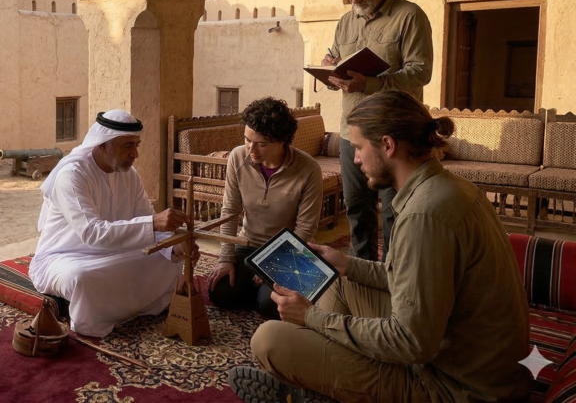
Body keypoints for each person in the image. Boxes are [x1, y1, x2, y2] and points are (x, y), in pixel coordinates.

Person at [228, 90, 531, 403]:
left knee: (269, 340)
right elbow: (415, 284)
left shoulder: (425, 215)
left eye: (358, 147)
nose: (356, 159)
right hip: (458, 352)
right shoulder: (443, 189)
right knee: (335, 282)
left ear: (388, 145)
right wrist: (349, 264)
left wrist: (310, 318)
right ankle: (328, 377)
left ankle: (322, 387)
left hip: (455, 387)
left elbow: (411, 342)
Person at [30, 109, 199, 337]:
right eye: (127, 146)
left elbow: (150, 225)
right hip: (67, 256)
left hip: (116, 253)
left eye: (136, 145)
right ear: (102, 145)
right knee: (83, 278)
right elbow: (93, 234)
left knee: (169, 260)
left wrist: (174, 245)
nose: (135, 154)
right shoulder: (72, 176)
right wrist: (153, 223)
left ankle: (127, 306)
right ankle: (85, 314)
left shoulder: (129, 174)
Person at [322, 0, 434, 262]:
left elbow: (420, 72)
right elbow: (334, 58)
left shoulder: (410, 16)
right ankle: (362, 272)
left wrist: (370, 84)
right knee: (357, 208)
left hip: (392, 135)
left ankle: (395, 275)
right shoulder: (346, 22)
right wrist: (330, 68)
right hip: (352, 133)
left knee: (396, 212)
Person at [206, 97, 323, 317]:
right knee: (219, 293)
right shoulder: (237, 157)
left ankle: (261, 290)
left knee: (271, 307)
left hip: (287, 251)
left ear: (282, 141)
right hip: (248, 245)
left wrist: (277, 268)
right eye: (247, 139)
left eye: (261, 143)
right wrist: (225, 259)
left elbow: (305, 230)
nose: (251, 149)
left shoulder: (309, 169)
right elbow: (229, 213)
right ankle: (257, 286)